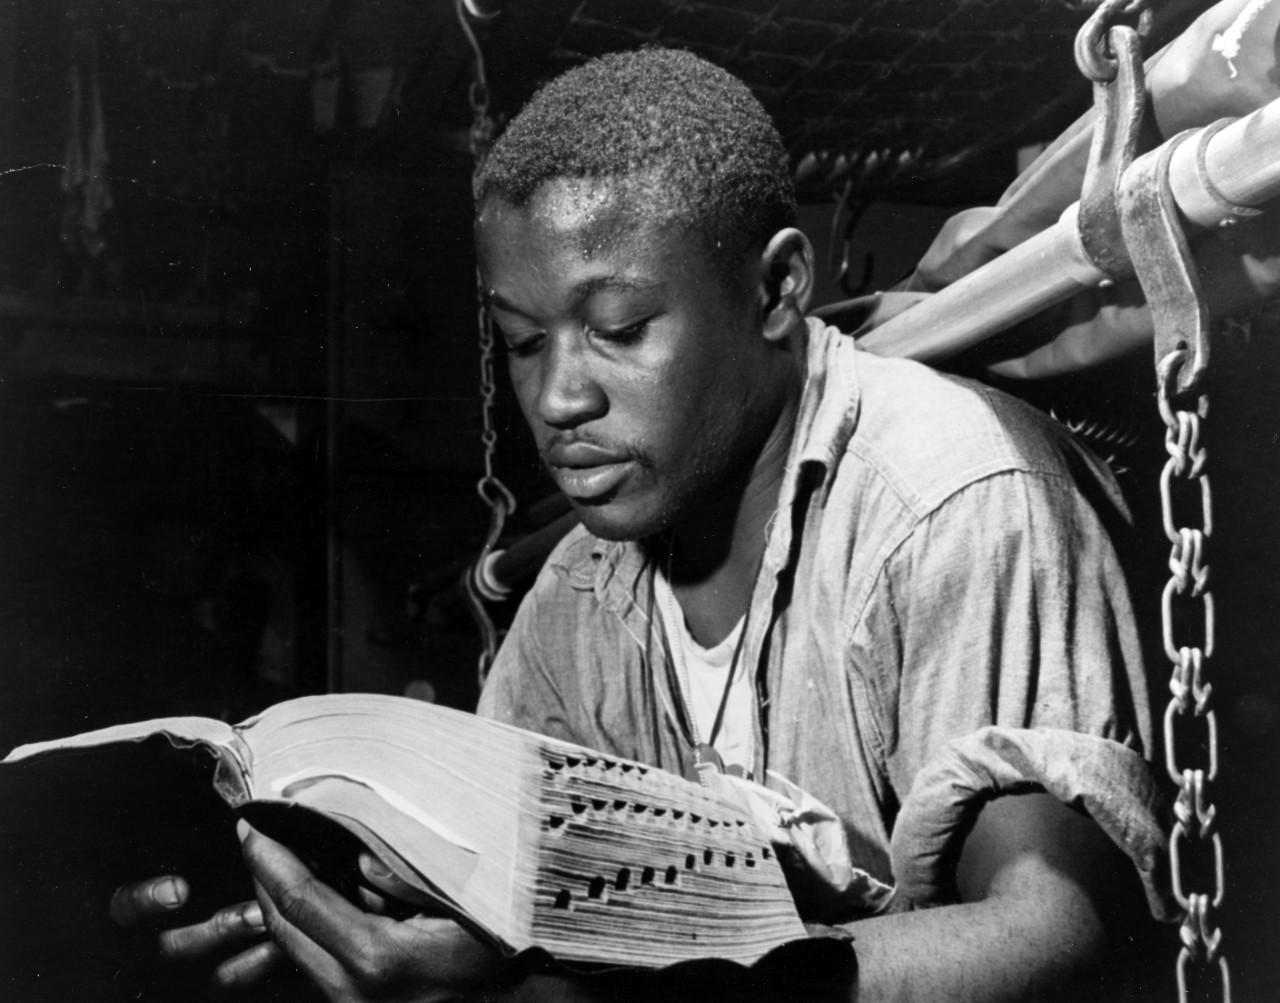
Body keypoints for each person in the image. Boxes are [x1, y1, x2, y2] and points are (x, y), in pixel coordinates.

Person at [111, 47, 1172, 1001]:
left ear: (774, 291)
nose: (559, 397)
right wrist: (329, 905)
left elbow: (1054, 935)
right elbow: (510, 916)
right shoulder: (577, 595)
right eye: (523, 343)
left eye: (616, 329)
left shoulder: (948, 497)